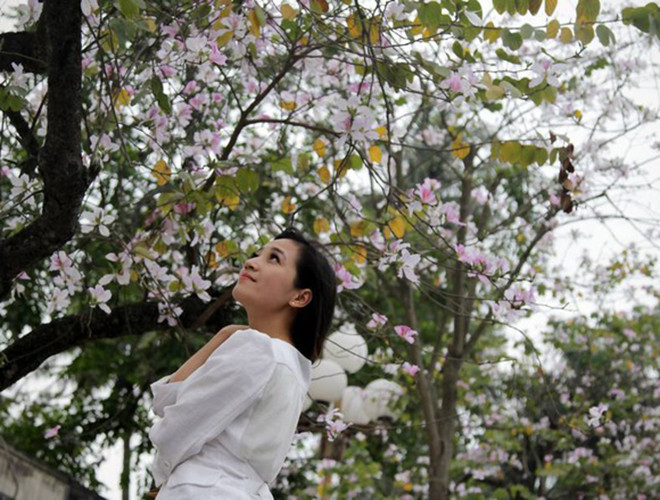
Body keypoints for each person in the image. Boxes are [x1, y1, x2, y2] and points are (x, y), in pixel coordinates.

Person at [147, 228, 336, 499]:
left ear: (300, 297)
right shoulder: (293, 369)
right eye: (257, 254)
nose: (251, 262)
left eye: (274, 258)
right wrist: (223, 336)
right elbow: (166, 403)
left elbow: (175, 427)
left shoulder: (259, 349)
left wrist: (165, 476)